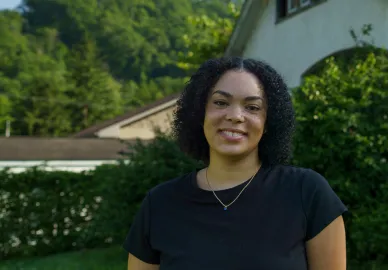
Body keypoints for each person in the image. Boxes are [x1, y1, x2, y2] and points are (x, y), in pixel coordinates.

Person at [124, 57, 348, 270]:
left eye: (252, 107)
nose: (235, 116)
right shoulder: (160, 204)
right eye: (221, 103)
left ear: (268, 122)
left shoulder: (307, 193)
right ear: (200, 113)